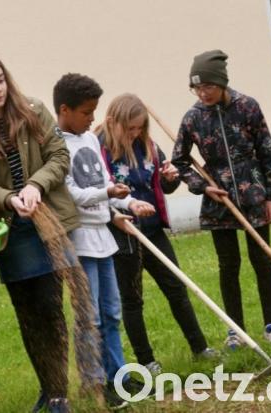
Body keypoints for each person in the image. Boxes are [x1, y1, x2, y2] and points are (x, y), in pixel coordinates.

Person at [0, 53, 79, 413]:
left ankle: (59, 394)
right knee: (27, 310)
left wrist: (36, 186)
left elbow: (59, 156)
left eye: (0, 81)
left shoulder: (34, 110)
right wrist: (10, 199)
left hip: (48, 220)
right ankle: (47, 385)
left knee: (50, 305)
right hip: (11, 228)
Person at [96, 93, 218, 375]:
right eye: (130, 128)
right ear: (114, 122)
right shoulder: (99, 149)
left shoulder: (148, 146)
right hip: (124, 233)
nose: (135, 133)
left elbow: (165, 187)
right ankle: (146, 361)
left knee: (176, 288)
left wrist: (169, 177)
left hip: (153, 231)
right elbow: (98, 194)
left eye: (139, 127)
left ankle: (200, 348)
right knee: (132, 298)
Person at [171, 50, 271, 348]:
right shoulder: (192, 118)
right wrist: (203, 187)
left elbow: (267, 152)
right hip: (218, 203)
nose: (202, 93)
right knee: (228, 265)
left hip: (253, 196)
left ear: (221, 82)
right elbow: (180, 162)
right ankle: (236, 330)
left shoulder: (248, 107)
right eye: (196, 87)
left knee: (262, 259)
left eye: (207, 86)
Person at [53, 73, 155, 409]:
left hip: (103, 236)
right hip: (79, 240)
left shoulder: (91, 140)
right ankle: (95, 381)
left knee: (111, 312)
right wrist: (108, 192)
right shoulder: (55, 145)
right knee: (90, 316)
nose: (92, 119)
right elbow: (73, 194)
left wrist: (127, 203)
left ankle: (120, 375)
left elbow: (103, 187)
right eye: (86, 113)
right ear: (64, 110)